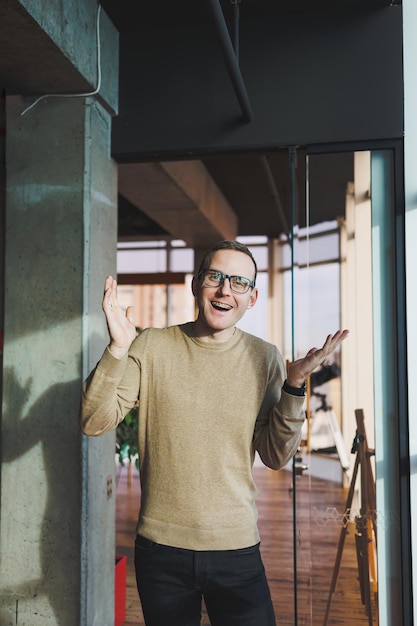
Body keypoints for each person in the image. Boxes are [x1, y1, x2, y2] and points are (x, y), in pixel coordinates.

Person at [80, 239, 349, 626]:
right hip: (161, 551)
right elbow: (93, 421)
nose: (226, 290)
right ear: (196, 284)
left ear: (252, 298)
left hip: (236, 548)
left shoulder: (265, 356)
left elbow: (275, 456)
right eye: (216, 277)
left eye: (239, 282)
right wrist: (118, 349)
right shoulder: (152, 346)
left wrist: (294, 385)